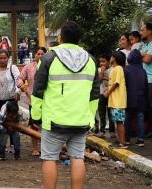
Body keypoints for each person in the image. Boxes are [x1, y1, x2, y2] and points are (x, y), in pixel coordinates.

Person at [31, 20, 99, 189]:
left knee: (49, 159)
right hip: (80, 121)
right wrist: (90, 119)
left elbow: (38, 90)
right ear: (79, 40)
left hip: (54, 121)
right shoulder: (91, 60)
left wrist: (36, 116)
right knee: (77, 158)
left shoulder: (48, 58)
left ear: (60, 38)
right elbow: (94, 94)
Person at [17, 46, 46, 156]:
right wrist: (23, 87)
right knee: (34, 125)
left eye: (42, 54)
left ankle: (46, 148)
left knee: (47, 125)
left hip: (47, 101)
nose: (40, 56)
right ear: (35, 55)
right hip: (33, 101)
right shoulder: (29, 67)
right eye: (38, 54)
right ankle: (34, 148)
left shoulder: (50, 66)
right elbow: (20, 78)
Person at [124, 48, 148, 147]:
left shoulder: (126, 69)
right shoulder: (143, 70)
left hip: (129, 97)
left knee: (127, 118)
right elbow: (146, 85)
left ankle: (127, 138)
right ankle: (141, 139)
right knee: (140, 118)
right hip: (141, 97)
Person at [105, 51, 128, 148]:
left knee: (119, 121)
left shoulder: (118, 68)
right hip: (115, 100)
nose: (110, 58)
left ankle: (122, 142)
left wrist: (108, 92)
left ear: (114, 58)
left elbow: (116, 82)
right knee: (117, 121)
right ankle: (120, 140)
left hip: (118, 100)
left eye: (111, 57)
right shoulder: (116, 68)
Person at [96, 54, 115, 138]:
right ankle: (102, 130)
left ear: (108, 61)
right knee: (102, 113)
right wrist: (102, 72)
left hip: (111, 93)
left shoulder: (113, 69)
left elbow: (114, 81)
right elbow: (99, 80)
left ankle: (112, 131)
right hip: (101, 93)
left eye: (103, 61)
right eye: (100, 62)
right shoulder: (99, 70)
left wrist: (106, 79)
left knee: (111, 113)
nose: (101, 63)